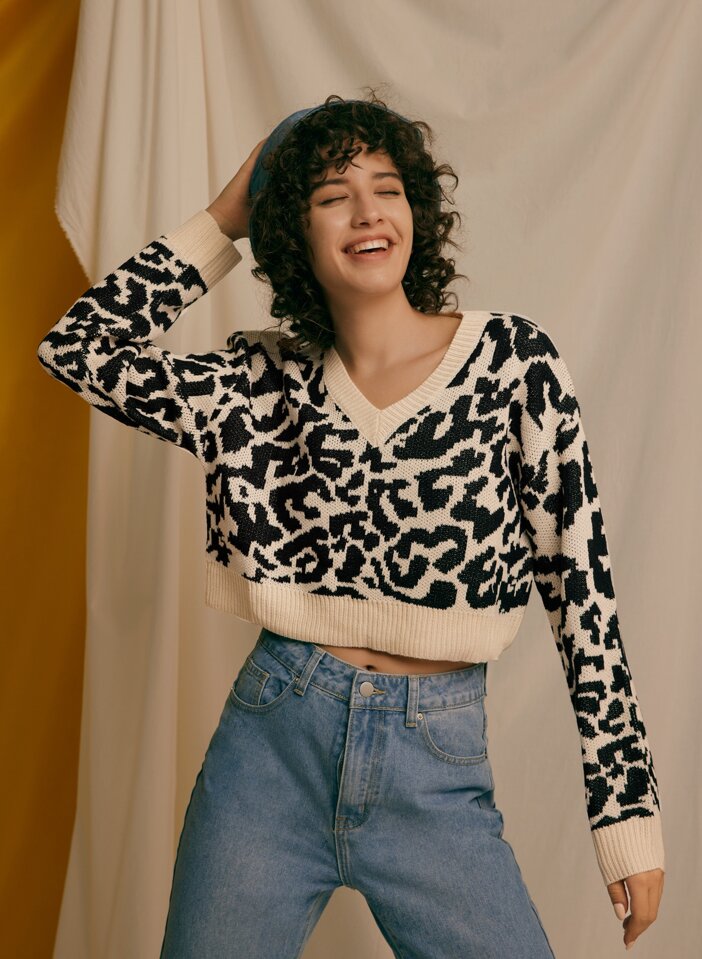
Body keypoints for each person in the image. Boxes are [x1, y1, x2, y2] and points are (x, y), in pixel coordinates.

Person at [37, 91, 664, 957]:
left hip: (435, 763)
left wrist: (624, 810)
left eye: (387, 188)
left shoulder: (513, 364)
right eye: (333, 195)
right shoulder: (256, 384)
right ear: (292, 230)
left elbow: (582, 590)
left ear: (418, 211)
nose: (368, 211)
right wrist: (225, 217)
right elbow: (80, 348)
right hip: (269, 751)